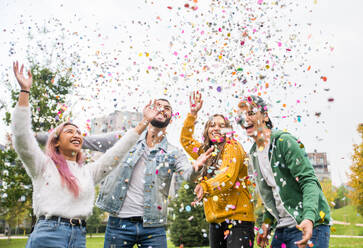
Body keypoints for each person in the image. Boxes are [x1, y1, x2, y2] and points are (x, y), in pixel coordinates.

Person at [11, 61, 159, 248]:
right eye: (69, 131)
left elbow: (116, 153)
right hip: (48, 235)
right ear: (56, 141)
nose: (76, 135)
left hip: (79, 236)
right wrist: (24, 93)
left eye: (79, 132)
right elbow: (21, 136)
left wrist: (144, 122)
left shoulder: (88, 172)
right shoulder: (43, 165)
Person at [39, 98, 199, 247]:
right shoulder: (124, 138)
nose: (162, 109)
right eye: (158, 106)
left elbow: (188, 174)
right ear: (149, 110)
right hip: (119, 224)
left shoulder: (173, 152)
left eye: (167, 108)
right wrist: (33, 138)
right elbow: (85, 141)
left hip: (154, 227)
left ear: (171, 117)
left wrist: (197, 167)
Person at [237, 95, 331, 248]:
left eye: (251, 113)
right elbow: (273, 194)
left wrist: (308, 218)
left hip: (308, 225)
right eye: (242, 115)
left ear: (265, 115)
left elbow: (309, 181)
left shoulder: (284, 142)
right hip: (282, 229)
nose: (245, 118)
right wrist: (267, 224)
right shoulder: (254, 153)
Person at [180, 91, 255, 248]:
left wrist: (205, 186)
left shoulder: (232, 147)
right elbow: (185, 140)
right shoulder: (206, 151)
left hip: (238, 220)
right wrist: (193, 114)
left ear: (228, 131)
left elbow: (227, 176)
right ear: (207, 130)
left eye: (222, 126)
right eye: (212, 125)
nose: (216, 128)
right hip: (215, 221)